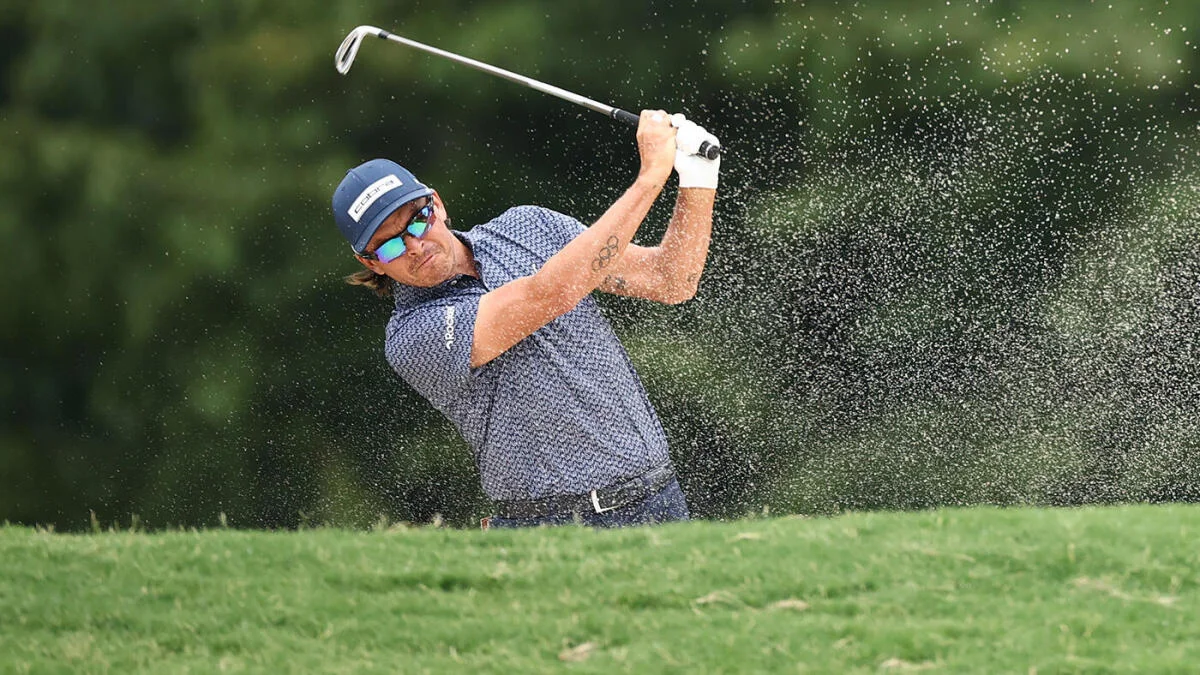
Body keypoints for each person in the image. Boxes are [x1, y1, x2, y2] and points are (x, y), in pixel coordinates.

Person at [331, 111, 720, 528]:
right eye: (388, 246)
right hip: (552, 526)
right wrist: (649, 180)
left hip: (659, 500)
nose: (415, 245)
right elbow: (548, 294)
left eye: (418, 220)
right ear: (369, 262)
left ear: (437, 204)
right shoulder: (412, 336)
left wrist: (698, 179)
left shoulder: (528, 227)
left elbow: (670, 280)